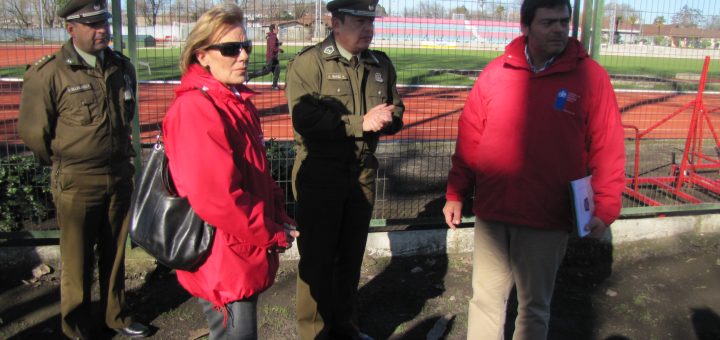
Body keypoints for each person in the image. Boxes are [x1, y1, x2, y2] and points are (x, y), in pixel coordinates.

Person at [442, 0, 626, 339]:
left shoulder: (590, 77)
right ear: (526, 27)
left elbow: (608, 146)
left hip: (547, 216)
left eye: (564, 21)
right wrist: (456, 192)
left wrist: (606, 204)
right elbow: (469, 138)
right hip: (494, 211)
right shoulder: (496, 73)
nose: (559, 29)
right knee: (484, 300)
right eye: (548, 22)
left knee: (534, 307)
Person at [162, 3, 299, 339]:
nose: (243, 56)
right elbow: (219, 199)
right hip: (224, 257)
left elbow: (259, 174)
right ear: (202, 55)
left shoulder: (235, 101)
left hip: (240, 248)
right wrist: (271, 232)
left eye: (245, 46)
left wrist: (278, 213)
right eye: (230, 48)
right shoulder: (197, 109)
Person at [17, 0, 150, 338]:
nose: (102, 29)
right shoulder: (50, 72)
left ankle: (116, 316)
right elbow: (34, 133)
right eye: (92, 24)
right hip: (77, 180)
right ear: (70, 28)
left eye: (104, 21)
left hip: (118, 175)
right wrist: (66, 162)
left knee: (116, 252)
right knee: (76, 261)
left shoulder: (121, 67)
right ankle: (76, 326)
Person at [284, 0, 404, 338]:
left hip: (362, 173)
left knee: (351, 256)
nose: (369, 28)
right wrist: (361, 122)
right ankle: (314, 333)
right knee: (318, 260)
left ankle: (345, 326)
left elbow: (396, 109)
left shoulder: (380, 64)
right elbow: (305, 119)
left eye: (372, 20)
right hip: (321, 174)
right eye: (360, 20)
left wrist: (388, 119)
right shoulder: (310, 64)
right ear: (335, 23)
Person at [249, 24, 283, 90]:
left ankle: (274, 85)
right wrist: (280, 49)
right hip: (271, 57)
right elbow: (273, 49)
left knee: (277, 70)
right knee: (266, 71)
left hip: (274, 58)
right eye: (277, 28)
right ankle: (250, 75)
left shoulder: (272, 36)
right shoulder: (273, 37)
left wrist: (278, 44)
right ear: (273, 30)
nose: (278, 29)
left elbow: (272, 45)